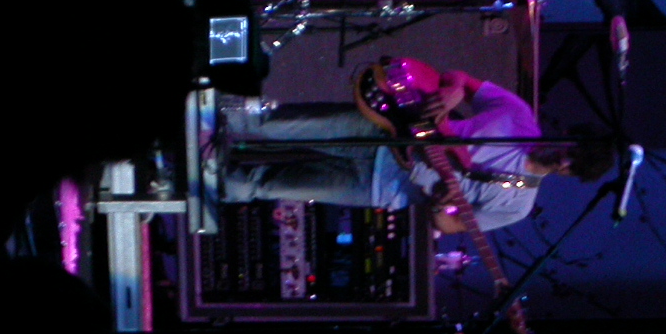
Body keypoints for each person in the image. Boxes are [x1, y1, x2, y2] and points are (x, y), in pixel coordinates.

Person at [222, 69, 615, 234]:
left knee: (271, 185)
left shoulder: (518, 205)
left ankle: (201, 183)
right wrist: (453, 92)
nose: (564, 160)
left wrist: (442, 206)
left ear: (569, 175)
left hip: (379, 187)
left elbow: (447, 226)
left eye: (572, 166)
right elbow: (458, 78)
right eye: (572, 150)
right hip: (384, 132)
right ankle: (208, 110)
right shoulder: (517, 114)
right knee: (279, 122)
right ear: (569, 135)